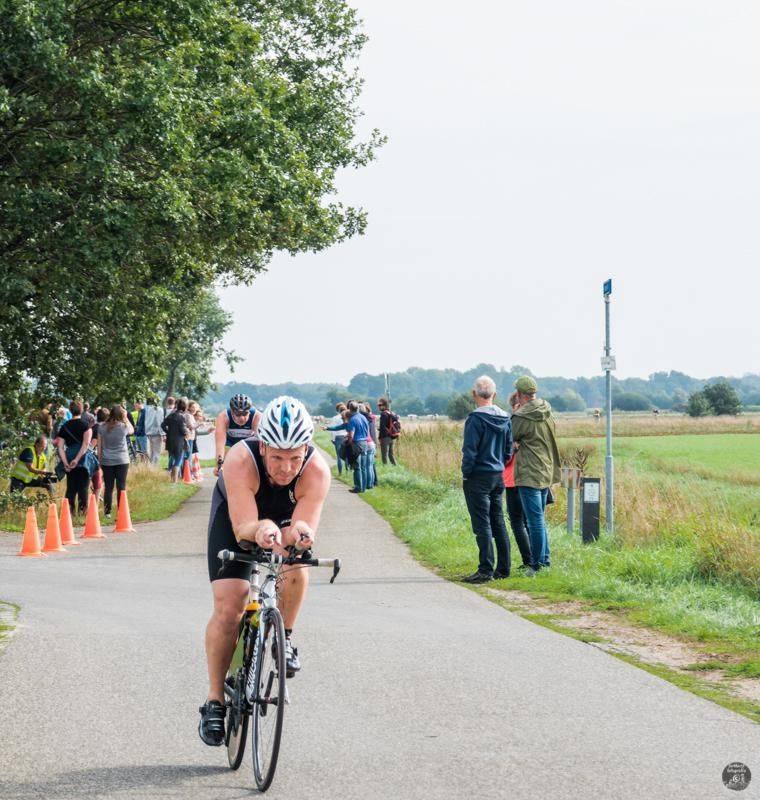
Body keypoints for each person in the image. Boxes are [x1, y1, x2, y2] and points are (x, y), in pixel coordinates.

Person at [199, 396, 330, 747]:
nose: (286, 468)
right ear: (264, 446)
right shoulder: (242, 459)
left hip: (283, 519)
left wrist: (300, 535)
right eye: (277, 458)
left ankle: (285, 638)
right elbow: (243, 525)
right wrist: (260, 530)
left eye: (294, 458)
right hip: (238, 519)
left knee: (297, 562)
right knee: (231, 605)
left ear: (306, 448)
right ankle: (214, 701)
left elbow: (301, 524)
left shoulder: (317, 470)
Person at [460, 375, 513, 584]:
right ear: (494, 394)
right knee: (498, 520)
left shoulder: (475, 419)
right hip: (497, 474)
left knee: (482, 524)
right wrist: (500, 462)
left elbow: (469, 450)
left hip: (478, 475)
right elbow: (509, 449)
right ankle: (503, 567)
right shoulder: (505, 417)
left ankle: (485, 569)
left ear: (474, 394)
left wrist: (466, 472)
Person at [511, 376, 561, 576]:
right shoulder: (547, 410)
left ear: (519, 394)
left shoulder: (522, 416)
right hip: (546, 468)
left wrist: (514, 416)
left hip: (529, 472)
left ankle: (537, 565)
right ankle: (545, 560)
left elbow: (510, 437)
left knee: (534, 521)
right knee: (540, 519)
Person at [502, 392, 532, 571]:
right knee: (531, 521)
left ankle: (528, 559)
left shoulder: (512, 425)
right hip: (531, 478)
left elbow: (505, 457)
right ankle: (537, 559)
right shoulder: (534, 425)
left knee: (517, 521)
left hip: (513, 479)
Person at [56, 400, 94, 515]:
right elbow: (85, 445)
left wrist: (65, 462)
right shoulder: (86, 426)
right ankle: (82, 513)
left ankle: (69, 513)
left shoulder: (64, 427)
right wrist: (77, 460)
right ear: (82, 410)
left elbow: (60, 447)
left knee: (71, 487)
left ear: (70, 411)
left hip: (69, 456)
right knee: (83, 486)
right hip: (83, 460)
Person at [97, 405, 134, 518]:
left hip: (107, 460)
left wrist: (100, 460)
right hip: (122, 459)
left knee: (108, 487)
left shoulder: (102, 427)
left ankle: (107, 512)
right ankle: (121, 510)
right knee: (121, 486)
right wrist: (126, 417)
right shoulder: (123, 427)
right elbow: (132, 430)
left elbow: (99, 446)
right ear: (121, 415)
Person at [213, 393, 262, 476]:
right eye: (238, 414)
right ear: (232, 412)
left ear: (249, 411)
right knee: (227, 464)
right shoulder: (223, 417)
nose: (242, 418)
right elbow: (220, 443)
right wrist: (219, 464)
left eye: (245, 414)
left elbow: (261, 442)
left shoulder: (257, 416)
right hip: (230, 442)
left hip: (248, 442)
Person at [9, 436, 55, 500]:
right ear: (36, 444)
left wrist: (45, 474)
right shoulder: (28, 451)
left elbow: (43, 468)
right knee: (14, 499)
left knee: (49, 483)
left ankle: (53, 502)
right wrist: (42, 472)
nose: (43, 449)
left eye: (45, 447)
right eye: (42, 446)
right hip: (19, 480)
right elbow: (30, 468)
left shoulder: (43, 456)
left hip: (30, 479)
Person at [161, 399, 189, 482]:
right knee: (178, 461)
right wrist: (187, 432)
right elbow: (183, 430)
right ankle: (175, 481)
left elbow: (162, 425)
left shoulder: (170, 415)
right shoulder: (181, 417)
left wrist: (168, 432)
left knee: (172, 457)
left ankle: (171, 478)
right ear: (184, 407)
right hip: (179, 441)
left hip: (170, 441)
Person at [377, 397, 399, 466]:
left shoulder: (383, 414)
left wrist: (380, 438)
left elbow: (383, 427)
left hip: (385, 437)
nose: (379, 407)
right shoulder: (391, 413)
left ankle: (385, 468)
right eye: (378, 405)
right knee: (391, 454)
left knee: (384, 455)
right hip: (392, 436)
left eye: (380, 405)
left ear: (385, 405)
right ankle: (395, 466)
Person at [143, 398, 165, 466]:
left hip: (148, 432)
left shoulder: (147, 409)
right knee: (156, 452)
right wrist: (163, 433)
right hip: (156, 433)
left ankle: (151, 467)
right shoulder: (159, 409)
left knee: (151, 451)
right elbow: (159, 421)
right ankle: (155, 467)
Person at [328, 402, 348, 475]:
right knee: (346, 455)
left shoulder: (335, 418)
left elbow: (333, 430)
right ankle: (347, 471)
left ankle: (340, 472)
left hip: (338, 437)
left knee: (339, 456)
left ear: (339, 410)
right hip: (346, 436)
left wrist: (332, 439)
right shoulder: (348, 417)